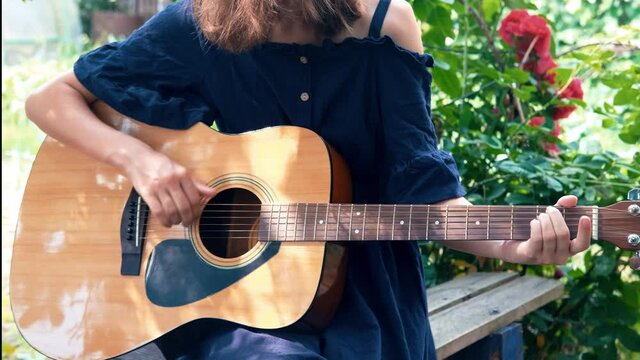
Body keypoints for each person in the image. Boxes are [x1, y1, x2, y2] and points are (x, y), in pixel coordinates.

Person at [24, 0, 592, 358]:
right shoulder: (199, 23)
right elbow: (51, 101)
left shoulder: (384, 27)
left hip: (364, 297)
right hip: (228, 301)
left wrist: (516, 241)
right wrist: (140, 162)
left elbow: (432, 202)